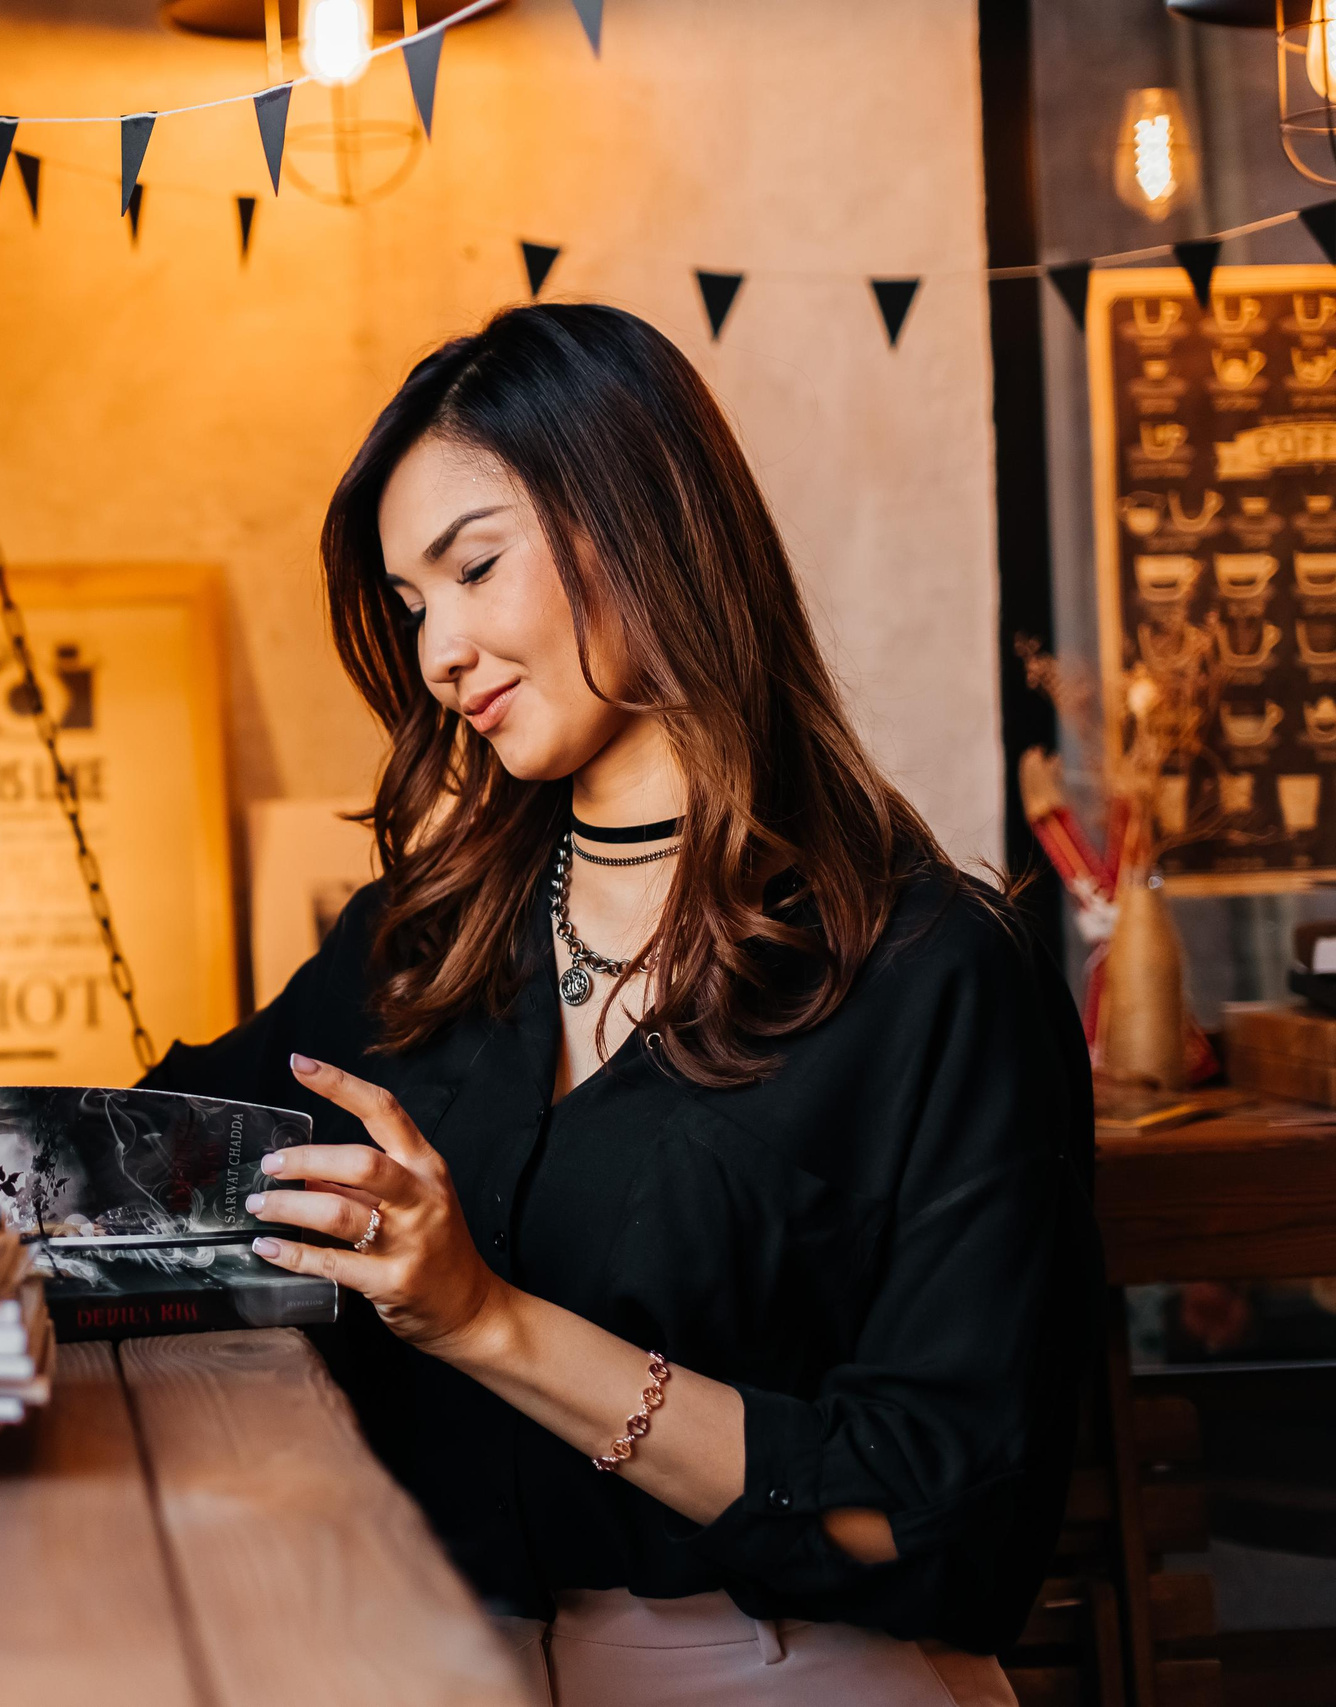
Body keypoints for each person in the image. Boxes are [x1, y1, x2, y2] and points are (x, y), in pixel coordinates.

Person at [142, 303, 1098, 1705]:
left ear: (640, 516)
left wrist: (486, 1321)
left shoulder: (932, 972)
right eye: (412, 608)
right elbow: (155, 1158)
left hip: (784, 1671)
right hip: (429, 1656)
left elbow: (938, 1523)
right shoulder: (422, 942)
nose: (439, 652)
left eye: (475, 568)